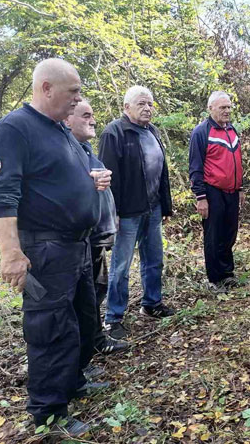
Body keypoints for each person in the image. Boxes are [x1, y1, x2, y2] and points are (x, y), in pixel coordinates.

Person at [0, 59, 110, 436]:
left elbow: (55, 179)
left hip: (76, 245)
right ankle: (48, 413)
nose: (78, 99)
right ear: (46, 88)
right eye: (73, 92)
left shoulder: (60, 131)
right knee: (50, 328)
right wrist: (11, 254)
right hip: (46, 250)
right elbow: (0, 196)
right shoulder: (13, 130)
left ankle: (73, 383)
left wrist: (90, 182)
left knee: (82, 318)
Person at [98, 85, 175, 340]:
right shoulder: (114, 133)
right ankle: (113, 318)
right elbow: (108, 177)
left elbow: (161, 171)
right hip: (127, 212)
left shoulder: (151, 131)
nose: (147, 108)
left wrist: (165, 205)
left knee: (154, 258)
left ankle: (151, 303)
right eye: (141, 103)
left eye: (150, 104)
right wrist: (113, 212)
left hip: (152, 208)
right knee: (121, 266)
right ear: (126, 107)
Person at [64, 99, 130, 374]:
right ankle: (80, 357)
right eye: (86, 115)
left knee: (95, 292)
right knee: (81, 301)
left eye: (92, 115)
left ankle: (94, 343)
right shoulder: (65, 153)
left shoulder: (85, 150)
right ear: (67, 120)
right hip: (81, 240)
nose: (92, 120)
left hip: (98, 237)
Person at [189, 91, 244, 292]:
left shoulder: (232, 130)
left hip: (232, 191)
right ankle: (215, 278)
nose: (227, 111)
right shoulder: (201, 132)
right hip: (212, 191)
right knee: (214, 235)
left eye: (229, 107)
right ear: (210, 108)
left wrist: (240, 187)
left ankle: (227, 273)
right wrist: (200, 196)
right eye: (222, 107)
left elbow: (237, 161)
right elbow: (195, 166)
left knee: (230, 232)